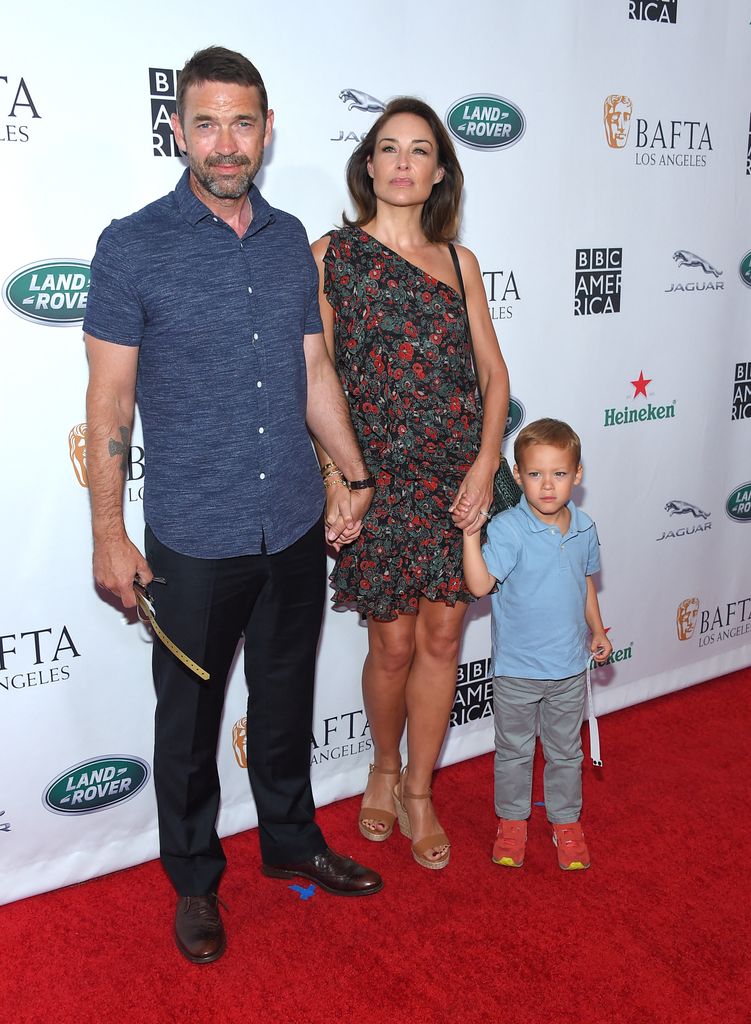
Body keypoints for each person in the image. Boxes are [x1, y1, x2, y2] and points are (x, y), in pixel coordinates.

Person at [83, 46, 383, 966]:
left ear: (265, 130)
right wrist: (108, 532)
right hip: (193, 537)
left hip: (292, 521)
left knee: (285, 698)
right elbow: (108, 403)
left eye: (242, 123)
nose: (225, 142)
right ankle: (195, 882)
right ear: (177, 129)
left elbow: (312, 368)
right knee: (189, 726)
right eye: (206, 122)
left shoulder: (293, 238)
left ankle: (292, 843)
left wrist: (353, 473)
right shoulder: (131, 243)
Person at [311, 97, 509, 870]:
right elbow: (314, 375)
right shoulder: (331, 255)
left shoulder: (460, 263)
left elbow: (493, 374)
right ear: (367, 165)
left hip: (455, 475)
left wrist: (487, 461)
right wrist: (337, 475)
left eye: (418, 150)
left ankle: (419, 789)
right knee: (390, 645)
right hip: (375, 482)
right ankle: (383, 769)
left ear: (437, 173)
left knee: (441, 636)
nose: (401, 162)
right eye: (386, 147)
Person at [462, 418, 612, 871]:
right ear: (518, 475)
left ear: (578, 475)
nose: (548, 486)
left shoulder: (585, 528)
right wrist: (471, 534)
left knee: (567, 752)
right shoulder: (508, 529)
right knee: (514, 752)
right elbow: (480, 585)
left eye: (559, 474)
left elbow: (584, 582)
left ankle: (566, 823)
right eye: (535, 474)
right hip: (517, 671)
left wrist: (598, 630)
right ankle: (512, 821)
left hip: (569, 669)